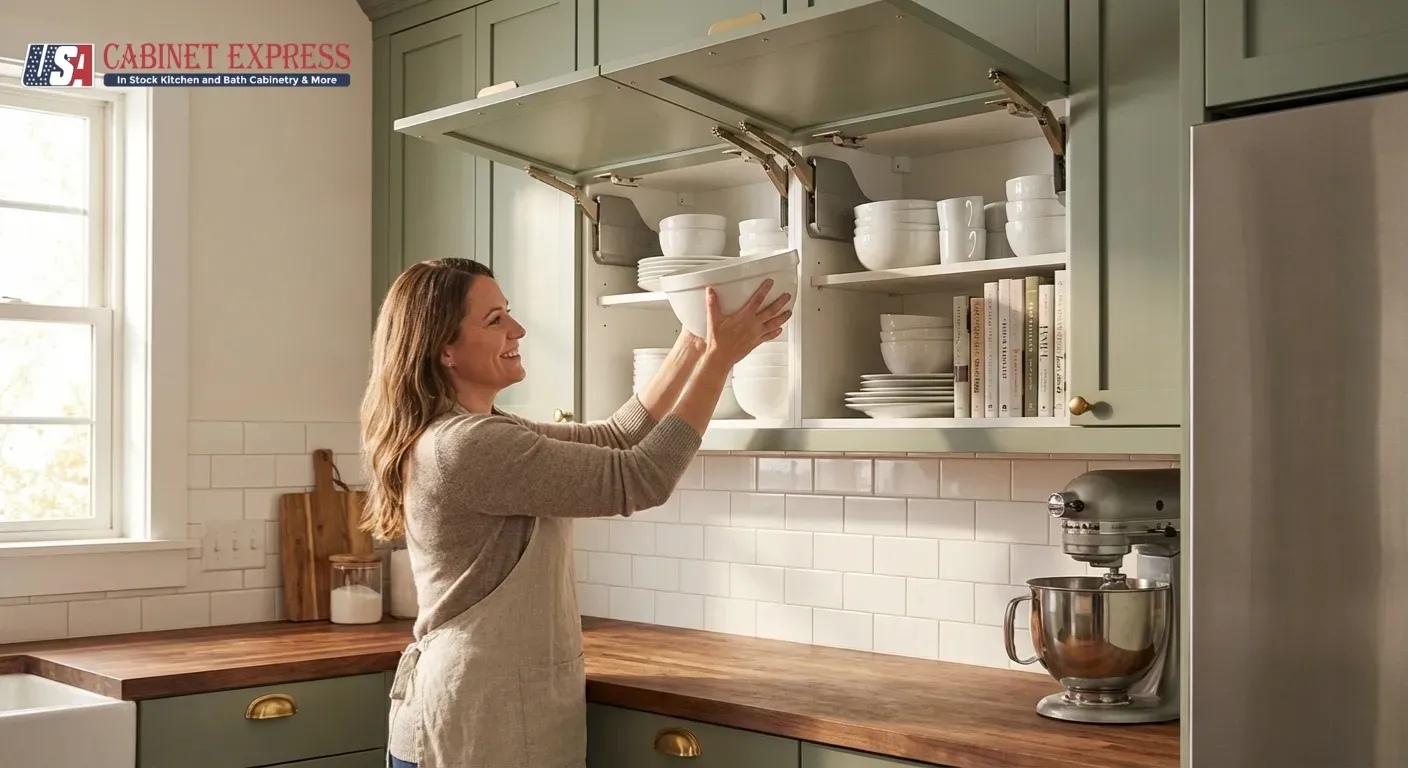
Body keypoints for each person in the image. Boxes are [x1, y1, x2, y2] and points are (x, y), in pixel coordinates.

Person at [358, 257, 791, 768]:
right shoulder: (466, 446)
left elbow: (614, 437)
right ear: (445, 349)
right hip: (475, 726)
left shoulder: (481, 431)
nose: (518, 329)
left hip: (492, 712)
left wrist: (695, 342)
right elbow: (641, 477)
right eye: (495, 320)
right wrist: (719, 361)